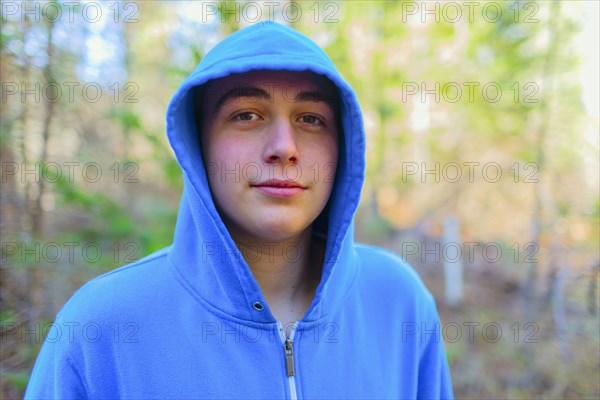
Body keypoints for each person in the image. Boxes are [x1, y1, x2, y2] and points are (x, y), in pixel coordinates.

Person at [25, 21, 453, 399]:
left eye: (311, 119)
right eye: (247, 114)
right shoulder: (101, 328)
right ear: (200, 144)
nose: (284, 147)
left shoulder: (399, 302)